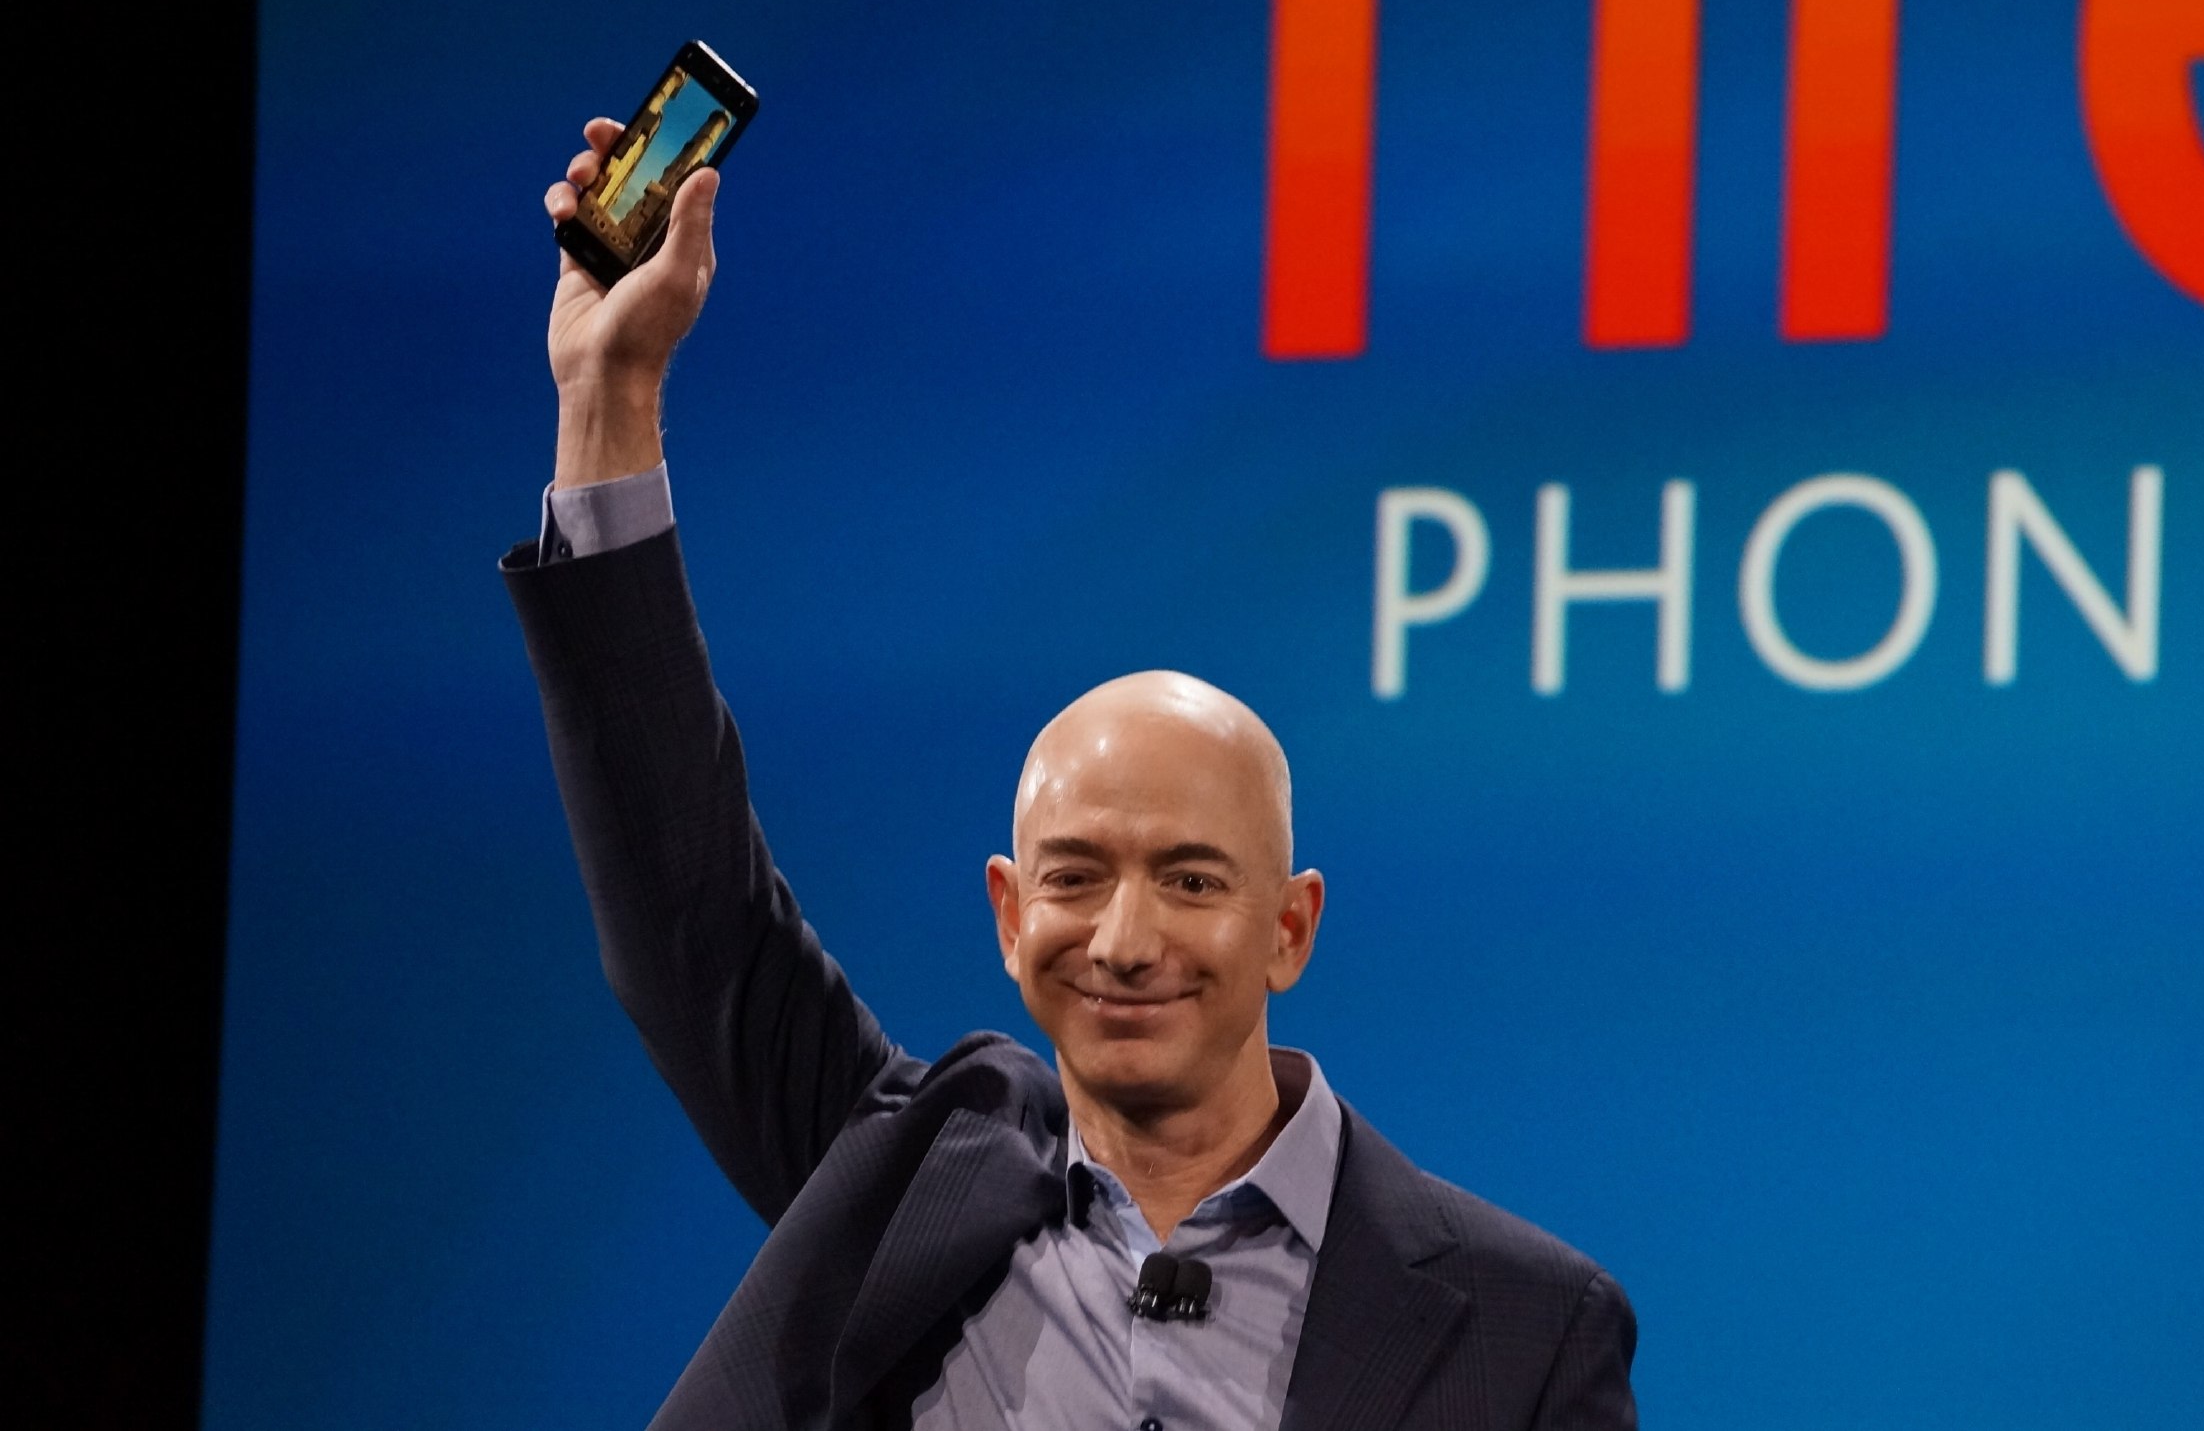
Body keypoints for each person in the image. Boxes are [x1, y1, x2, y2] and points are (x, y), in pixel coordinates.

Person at [508, 118, 1638, 1428]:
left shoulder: (1526, 1329)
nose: (1125, 941)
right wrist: (608, 393)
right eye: (1075, 877)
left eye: (1192, 880)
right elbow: (688, 915)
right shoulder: (903, 1187)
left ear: (1289, 928)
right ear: (1008, 913)